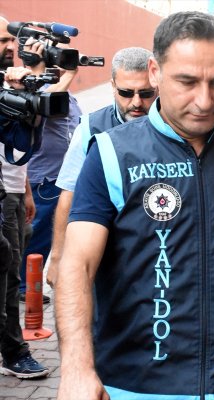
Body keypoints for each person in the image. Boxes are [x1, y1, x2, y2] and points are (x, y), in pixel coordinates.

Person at [54, 11, 214, 400]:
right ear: (155, 72)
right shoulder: (110, 153)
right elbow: (77, 265)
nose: (204, 101)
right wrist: (76, 368)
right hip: (132, 388)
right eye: (187, 82)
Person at [46, 47, 156, 287]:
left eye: (146, 93)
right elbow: (69, 193)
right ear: (113, 86)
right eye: (126, 93)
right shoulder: (90, 127)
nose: (137, 102)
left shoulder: (174, 126)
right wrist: (57, 258)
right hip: (102, 251)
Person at [17, 36, 82, 303]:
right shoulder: (40, 90)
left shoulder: (66, 94)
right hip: (44, 179)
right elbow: (47, 101)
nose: (65, 64)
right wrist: (68, 74)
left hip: (60, 177)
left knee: (49, 235)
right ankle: (23, 287)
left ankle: (29, 283)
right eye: (59, 57)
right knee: (37, 234)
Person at [0, 34, 49, 377]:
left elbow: (17, 145)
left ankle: (13, 351)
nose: (10, 46)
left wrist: (24, 98)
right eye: (3, 39)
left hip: (10, 190)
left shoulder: (8, 85)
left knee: (10, 272)